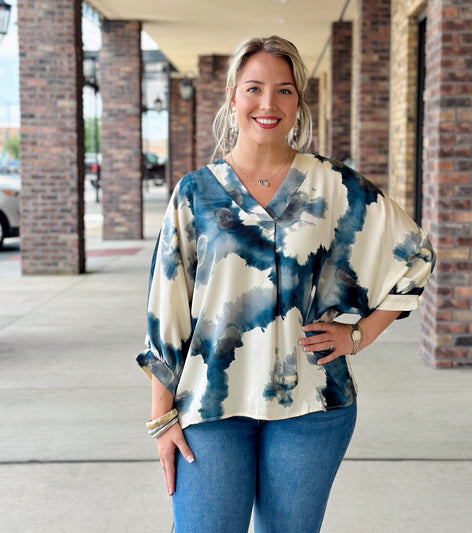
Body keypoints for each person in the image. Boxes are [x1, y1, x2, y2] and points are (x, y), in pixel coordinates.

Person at [137, 35, 435, 533]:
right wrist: (162, 419)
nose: (267, 104)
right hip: (211, 406)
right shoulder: (195, 194)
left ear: (299, 103)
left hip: (313, 406)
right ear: (233, 96)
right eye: (254, 88)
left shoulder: (334, 187)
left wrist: (358, 335)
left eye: (284, 91)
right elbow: (165, 312)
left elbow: (417, 255)